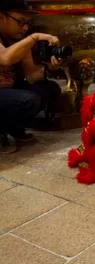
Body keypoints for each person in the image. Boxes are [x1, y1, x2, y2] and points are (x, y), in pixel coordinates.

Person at [0, 0, 62, 153]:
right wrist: (33, 38)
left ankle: (12, 126)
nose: (25, 28)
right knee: (27, 99)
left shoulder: (18, 39)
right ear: (2, 16)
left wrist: (49, 68)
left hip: (7, 89)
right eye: (20, 22)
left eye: (27, 23)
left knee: (49, 89)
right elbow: (5, 57)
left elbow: (32, 76)